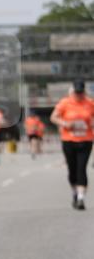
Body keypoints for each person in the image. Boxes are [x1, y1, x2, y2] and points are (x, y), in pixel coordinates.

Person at [50, 80, 94, 210]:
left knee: (82, 168)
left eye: (81, 92)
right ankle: (75, 193)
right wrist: (65, 124)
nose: (79, 95)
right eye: (77, 92)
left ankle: (81, 198)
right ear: (73, 91)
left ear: (84, 92)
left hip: (85, 140)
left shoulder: (90, 103)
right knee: (72, 170)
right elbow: (54, 117)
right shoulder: (65, 103)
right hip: (69, 140)